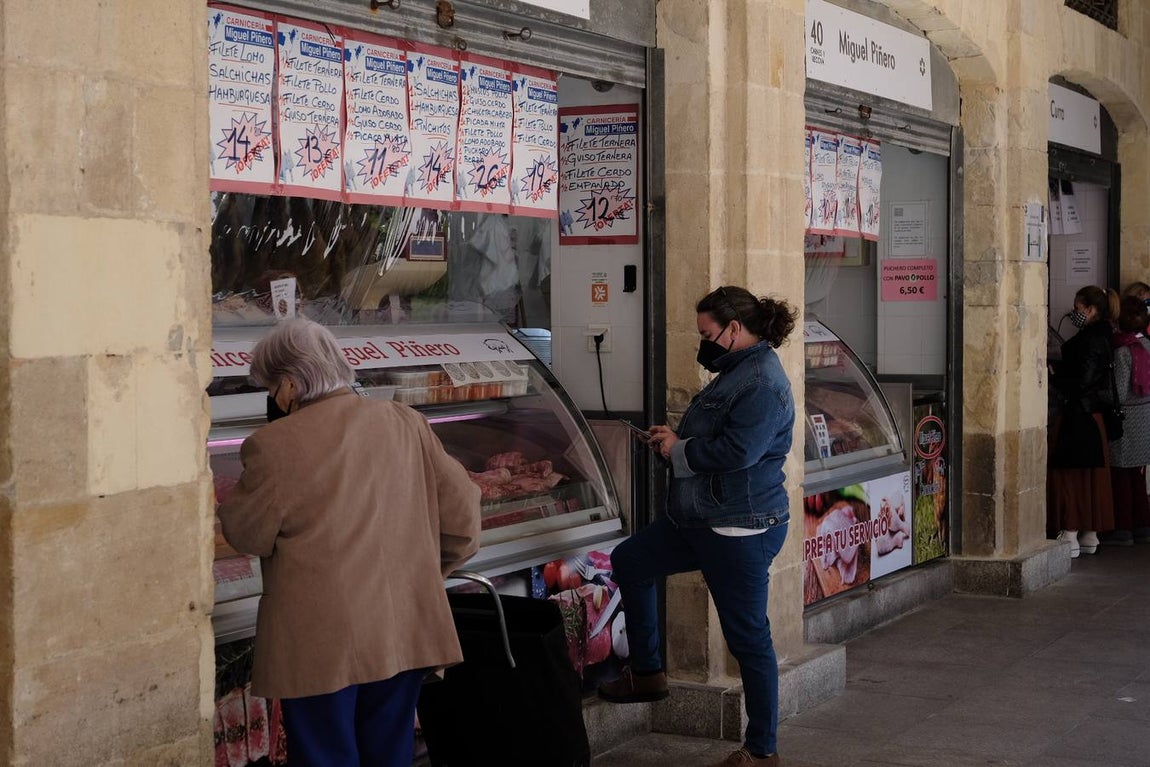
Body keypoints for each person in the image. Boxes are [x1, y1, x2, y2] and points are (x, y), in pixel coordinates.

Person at [217, 319, 481, 767]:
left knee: (325, 756)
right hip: (402, 630)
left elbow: (247, 534)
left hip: (322, 646)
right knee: (390, 755)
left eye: (270, 386)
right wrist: (423, 574)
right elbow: (463, 521)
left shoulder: (274, 445)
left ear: (289, 386)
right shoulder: (405, 421)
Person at [597, 286, 798, 767]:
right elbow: (718, 434)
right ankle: (647, 673)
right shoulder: (735, 370)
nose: (701, 342)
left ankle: (761, 751)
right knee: (631, 560)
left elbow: (738, 453)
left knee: (748, 637)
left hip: (738, 526)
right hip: (699, 518)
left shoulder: (762, 382)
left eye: (707, 333)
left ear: (733, 329)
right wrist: (676, 438)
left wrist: (677, 451)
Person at [1048, 285, 1116, 557]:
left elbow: (1083, 380)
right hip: (1092, 416)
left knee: (1070, 476)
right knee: (1091, 477)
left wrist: (1055, 375)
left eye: (1077, 309)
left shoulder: (1090, 339)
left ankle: (1071, 533)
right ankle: (1089, 534)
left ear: (1090, 310)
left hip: (1078, 415)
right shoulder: (1102, 335)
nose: (1074, 313)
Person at [1102, 295, 1150, 545]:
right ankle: (1143, 525)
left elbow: (1117, 392)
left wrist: (1098, 393)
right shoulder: (1148, 346)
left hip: (1127, 421)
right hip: (1145, 417)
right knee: (1137, 476)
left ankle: (1123, 530)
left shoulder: (1122, 351)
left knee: (1121, 476)